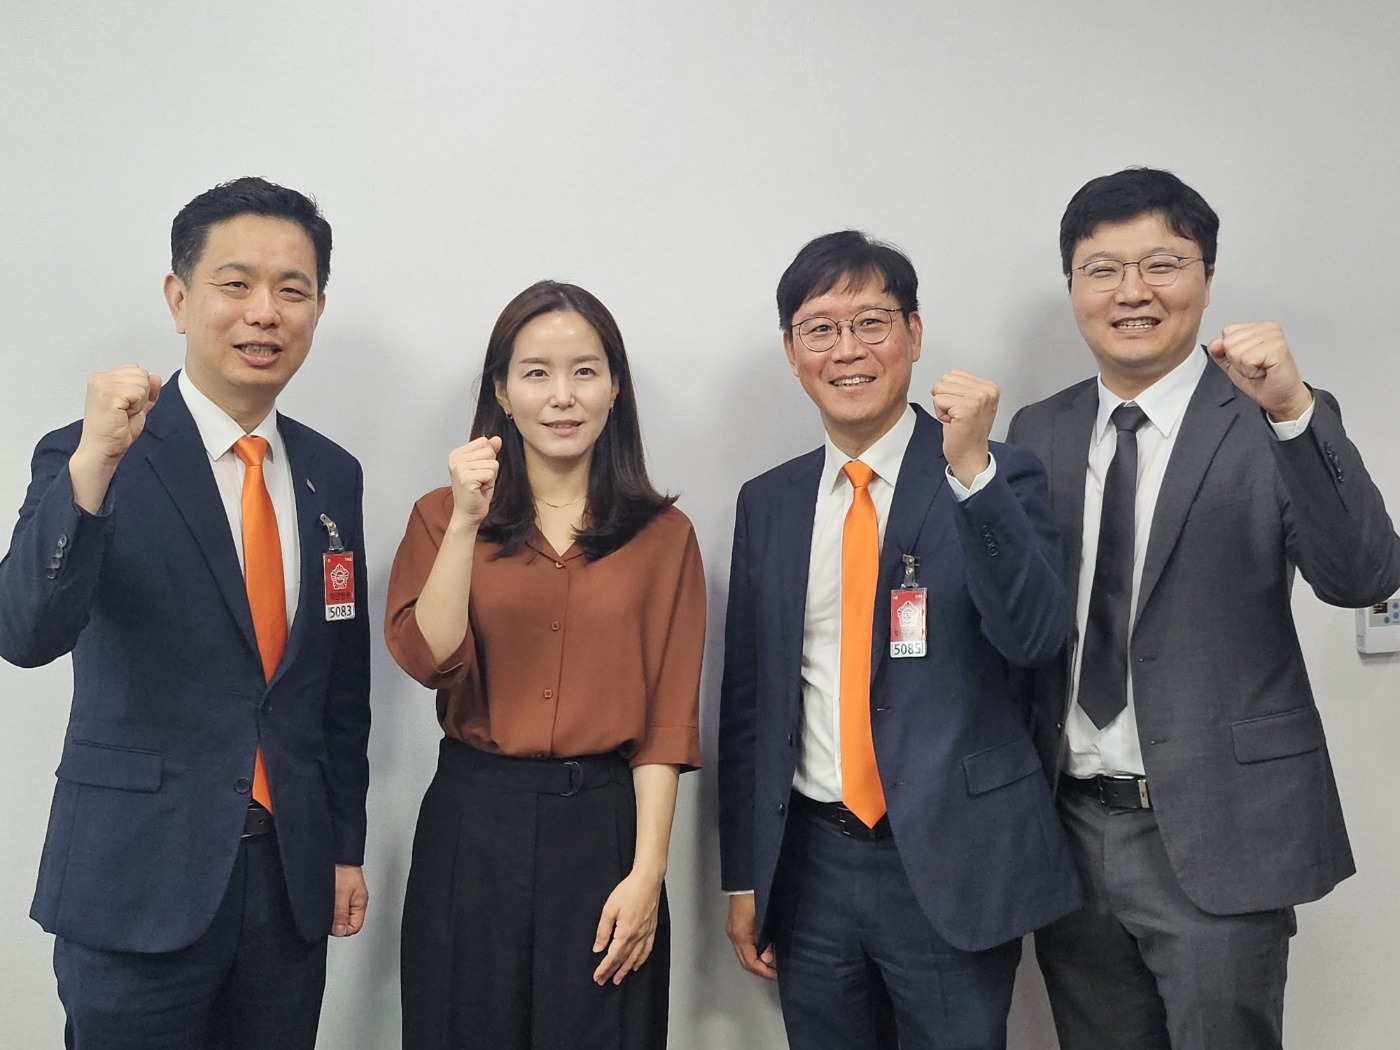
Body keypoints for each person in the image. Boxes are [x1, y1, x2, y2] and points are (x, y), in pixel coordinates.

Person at [1007, 166, 1400, 1050]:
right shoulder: (1038, 430)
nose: (1132, 292)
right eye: (1102, 270)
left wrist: (1294, 409)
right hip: (1068, 828)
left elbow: (1363, 574)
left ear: (1207, 277)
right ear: (1072, 287)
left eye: (1162, 264)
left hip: (1222, 828)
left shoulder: (1271, 415)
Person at [0, 177, 372, 1049]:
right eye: (235, 284)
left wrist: (343, 845)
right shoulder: (95, 452)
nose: (265, 312)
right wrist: (94, 464)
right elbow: (24, 632)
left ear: (318, 309)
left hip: (287, 882)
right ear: (178, 298)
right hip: (136, 878)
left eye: (292, 289)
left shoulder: (332, 474)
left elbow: (337, 685)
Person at [717, 230, 1081, 1050]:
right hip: (810, 866)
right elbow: (750, 704)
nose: (847, 350)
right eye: (820, 328)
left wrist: (972, 473)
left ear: (913, 334)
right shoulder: (768, 503)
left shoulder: (994, 473)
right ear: (792, 352)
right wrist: (745, 874)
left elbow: (1034, 638)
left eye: (872, 322)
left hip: (952, 859)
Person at [385, 280, 704, 1050]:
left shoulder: (665, 536)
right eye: (536, 373)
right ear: (502, 391)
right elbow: (429, 658)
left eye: (585, 371)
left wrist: (648, 874)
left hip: (602, 829)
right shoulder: (441, 516)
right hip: (473, 825)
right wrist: (465, 524)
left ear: (615, 386)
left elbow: (666, 724)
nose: (562, 396)